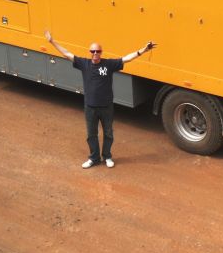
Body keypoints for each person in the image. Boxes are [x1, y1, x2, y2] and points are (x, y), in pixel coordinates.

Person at [44, 31, 156, 168]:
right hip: (90, 107)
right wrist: (52, 41)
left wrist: (143, 50)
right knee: (91, 134)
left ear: (101, 52)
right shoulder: (84, 63)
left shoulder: (108, 64)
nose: (95, 53)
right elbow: (66, 54)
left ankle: (107, 156)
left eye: (98, 51)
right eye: (93, 51)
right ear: (90, 52)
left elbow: (127, 59)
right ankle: (94, 158)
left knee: (108, 133)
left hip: (106, 107)